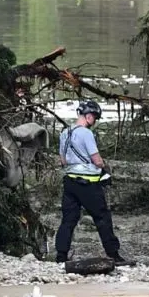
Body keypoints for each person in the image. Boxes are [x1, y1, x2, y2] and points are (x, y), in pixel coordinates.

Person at [55, 100, 131, 266]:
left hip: (69, 182)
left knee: (68, 220)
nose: (94, 122)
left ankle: (61, 255)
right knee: (102, 217)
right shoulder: (86, 134)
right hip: (88, 183)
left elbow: (62, 160)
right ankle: (114, 254)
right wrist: (104, 167)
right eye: (95, 118)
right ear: (89, 116)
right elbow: (96, 159)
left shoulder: (64, 133)